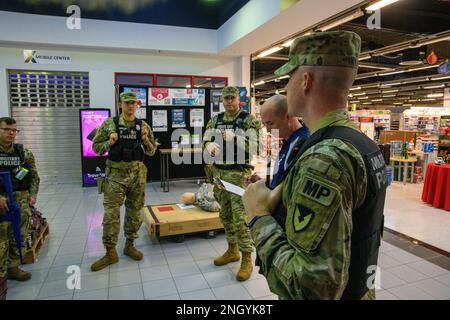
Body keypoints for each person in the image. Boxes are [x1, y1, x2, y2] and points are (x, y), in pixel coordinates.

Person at [242, 31, 387, 300]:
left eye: (289, 78)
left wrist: (257, 216)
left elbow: (311, 288)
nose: (287, 87)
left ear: (305, 80)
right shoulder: (361, 144)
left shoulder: (325, 158)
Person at [91, 92, 157, 272]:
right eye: (126, 103)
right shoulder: (109, 124)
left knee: (135, 212)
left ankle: (129, 245)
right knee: (111, 214)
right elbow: (95, 148)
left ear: (137, 105)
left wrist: (144, 139)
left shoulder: (143, 125)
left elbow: (151, 151)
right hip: (115, 176)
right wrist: (109, 143)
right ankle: (110, 252)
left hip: (137, 175)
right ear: (121, 104)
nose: (130, 106)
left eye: (133, 103)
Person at [203, 86, 262, 281]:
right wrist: (208, 145)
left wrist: (236, 138)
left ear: (239, 99)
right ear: (222, 100)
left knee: (240, 218)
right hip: (219, 174)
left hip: (238, 175)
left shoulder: (248, 120)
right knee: (225, 214)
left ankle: (246, 257)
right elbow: (205, 139)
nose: (229, 101)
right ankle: (232, 250)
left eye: (232, 98)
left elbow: (257, 146)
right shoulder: (216, 120)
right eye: (226, 98)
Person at [0, 117, 40, 283]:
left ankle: (13, 268)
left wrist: (32, 194)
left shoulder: (23, 153)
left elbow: (34, 176)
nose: (11, 133)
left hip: (21, 201)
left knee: (19, 235)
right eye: (7, 130)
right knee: (1, 238)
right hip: (1, 202)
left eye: (14, 130)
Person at [252, 94, 310, 188]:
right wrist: (267, 183)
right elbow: (285, 181)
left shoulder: (302, 144)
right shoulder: (290, 141)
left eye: (270, 123)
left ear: (288, 117)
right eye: (265, 124)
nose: (268, 130)